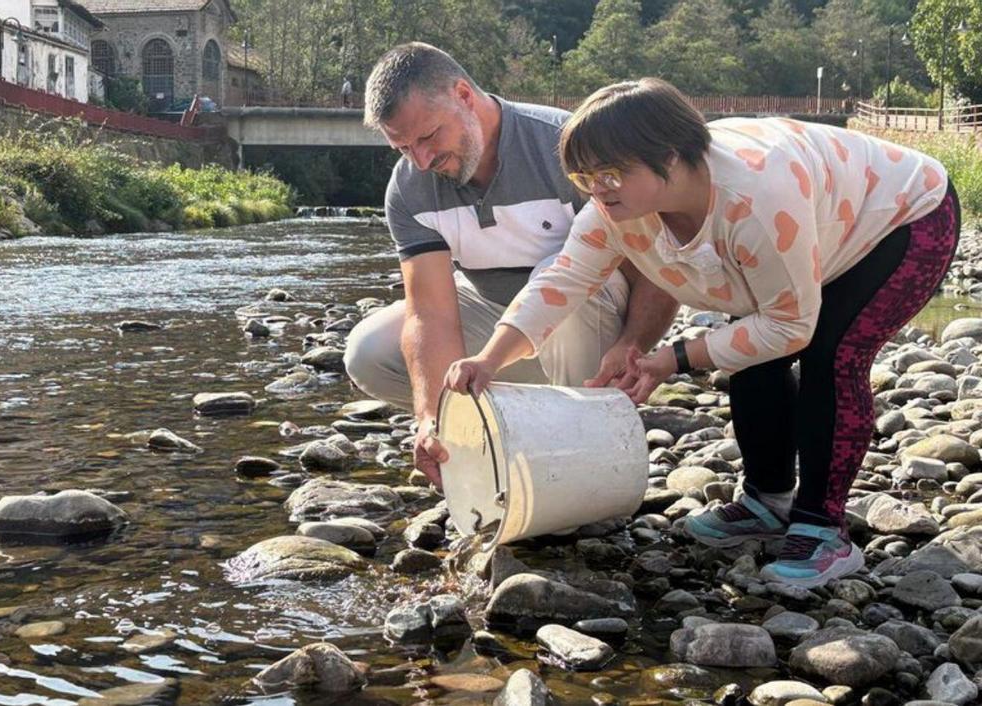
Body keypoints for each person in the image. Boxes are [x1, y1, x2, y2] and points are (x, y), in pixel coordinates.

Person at [445, 78, 959, 588]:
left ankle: (824, 528)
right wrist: (490, 359)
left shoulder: (756, 198)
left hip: (902, 217)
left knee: (832, 354)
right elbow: (563, 281)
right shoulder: (613, 209)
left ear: (669, 158)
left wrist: (674, 359)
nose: (597, 189)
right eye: (584, 177)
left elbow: (790, 326)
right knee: (750, 349)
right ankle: (767, 500)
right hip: (816, 224)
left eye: (611, 173)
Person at [346, 43, 678, 489]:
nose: (421, 161)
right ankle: (491, 428)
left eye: (427, 138)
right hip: (495, 320)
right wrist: (432, 420)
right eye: (402, 147)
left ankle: (583, 442)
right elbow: (430, 312)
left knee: (552, 277)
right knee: (367, 351)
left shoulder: (568, 147)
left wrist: (635, 343)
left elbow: (659, 265)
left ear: (463, 95)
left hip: (593, 321)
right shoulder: (409, 188)